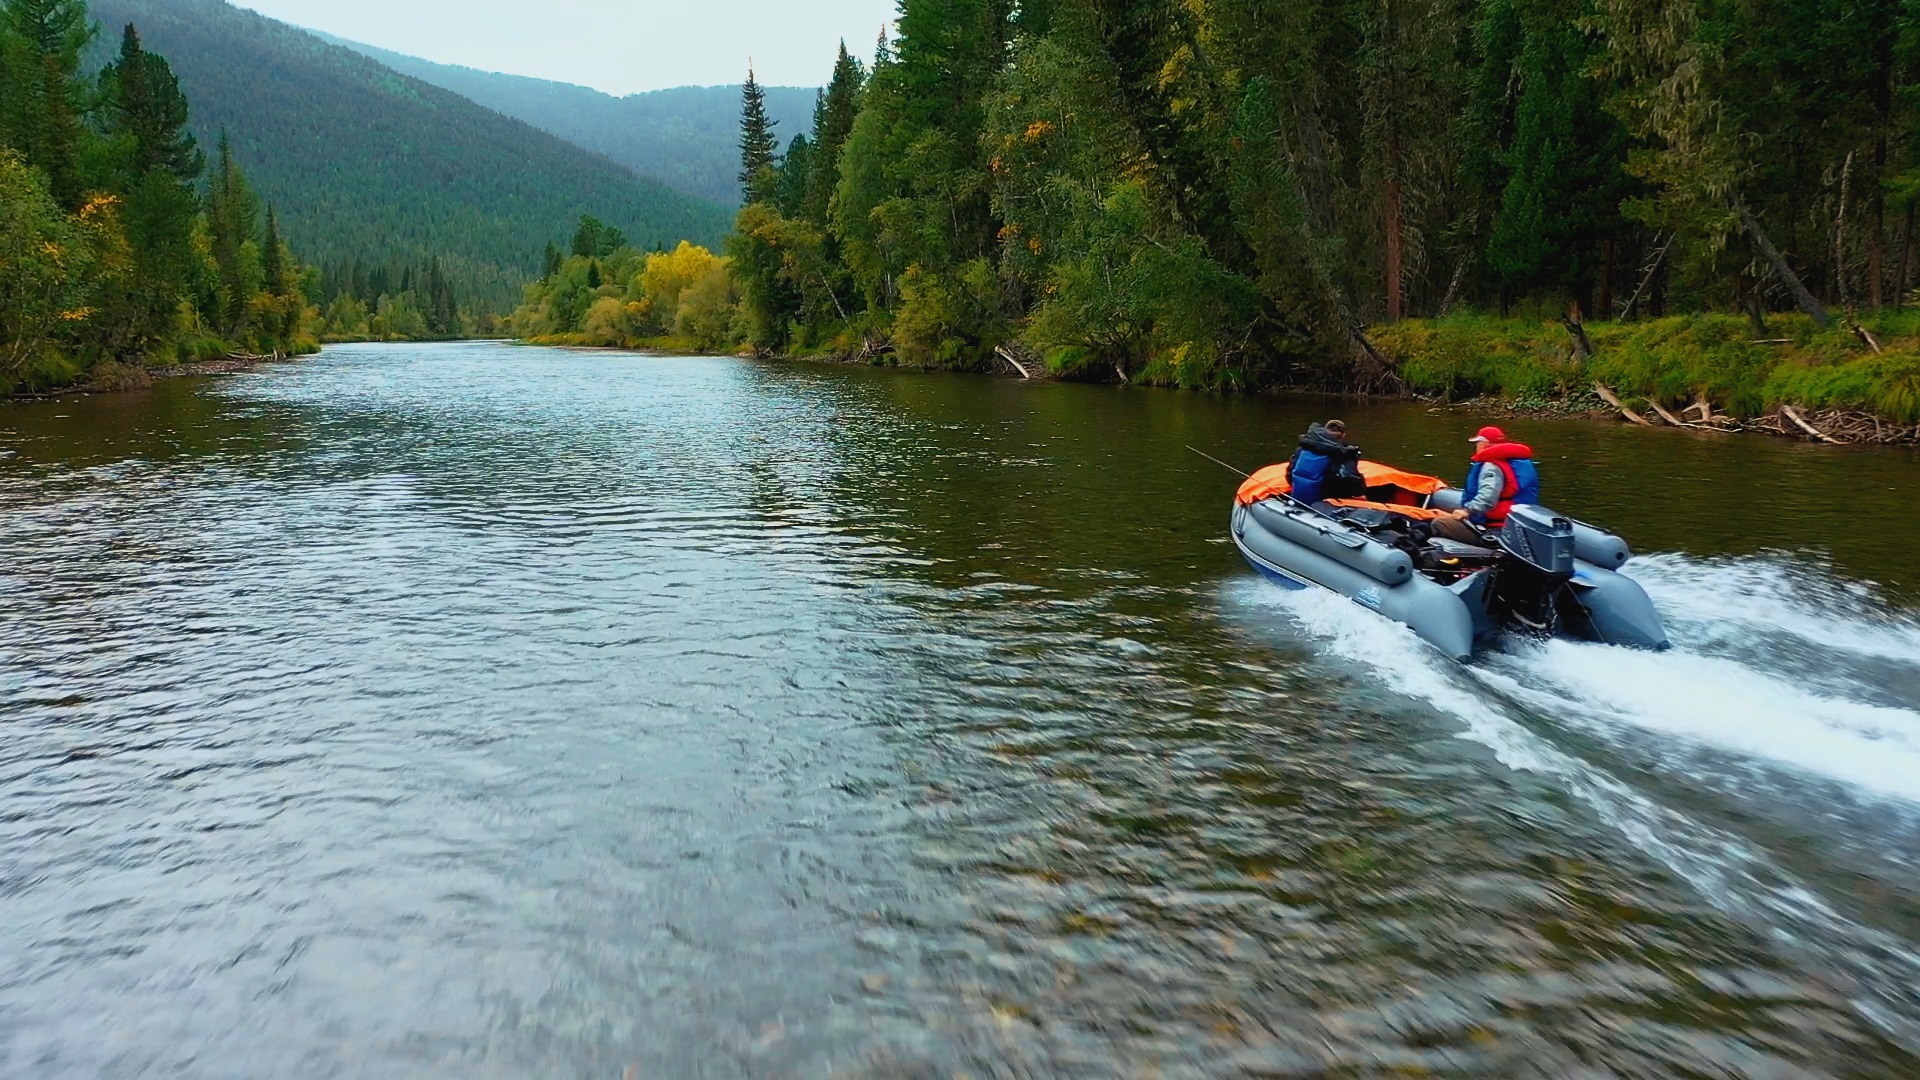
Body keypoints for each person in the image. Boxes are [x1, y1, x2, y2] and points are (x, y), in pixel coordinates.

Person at [1432, 425, 1540, 543]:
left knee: (1439, 524)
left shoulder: (1491, 466)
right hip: (1514, 525)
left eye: (1477, 443)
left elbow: (1488, 497)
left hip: (1494, 528)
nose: (1476, 446)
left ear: (1484, 444)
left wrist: (1467, 511)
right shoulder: (1519, 462)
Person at [1287, 419, 1366, 505]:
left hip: (1297, 497)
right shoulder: (1343, 455)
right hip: (1323, 504)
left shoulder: (1302, 449)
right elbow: (1354, 485)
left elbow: (1289, 474)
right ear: (1343, 435)